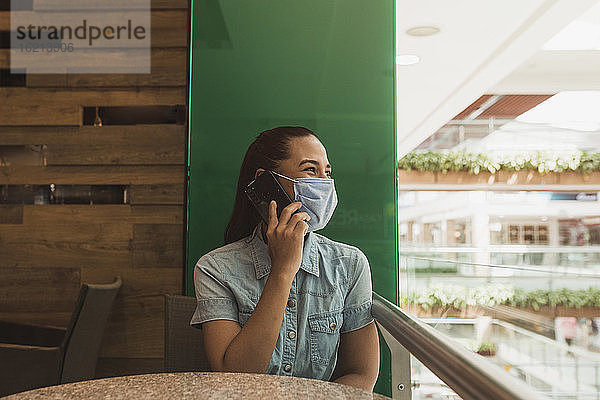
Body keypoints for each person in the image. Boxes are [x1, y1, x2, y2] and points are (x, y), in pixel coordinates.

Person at [190, 126, 380, 391]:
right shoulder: (215, 269)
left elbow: (361, 374)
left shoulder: (350, 264)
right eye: (310, 170)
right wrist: (282, 271)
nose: (324, 182)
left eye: (327, 172)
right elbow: (234, 377)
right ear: (266, 183)